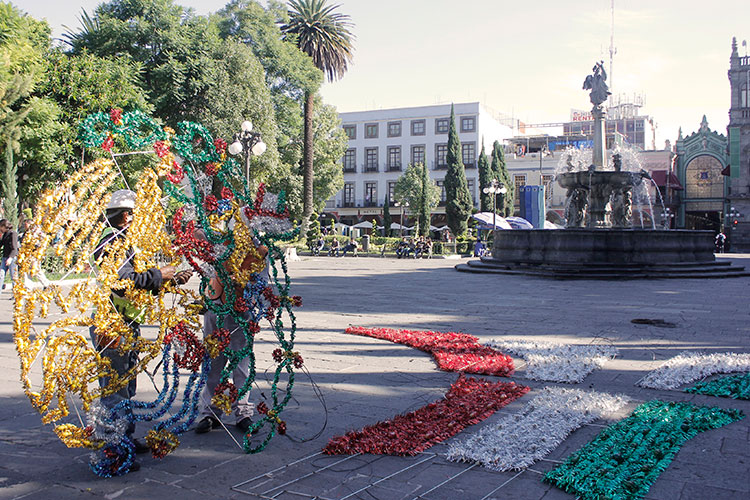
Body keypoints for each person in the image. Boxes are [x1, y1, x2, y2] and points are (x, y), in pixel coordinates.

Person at [90, 190, 191, 471]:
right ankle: (113, 449)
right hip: (112, 324)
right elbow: (122, 282)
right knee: (114, 390)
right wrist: (160, 275)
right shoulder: (111, 241)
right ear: (126, 215)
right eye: (137, 215)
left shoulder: (122, 240)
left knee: (126, 387)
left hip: (126, 322)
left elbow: (139, 285)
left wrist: (169, 281)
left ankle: (125, 437)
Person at [195, 221, 266, 436]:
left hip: (240, 312)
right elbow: (198, 236)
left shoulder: (259, 250)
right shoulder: (218, 242)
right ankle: (209, 412)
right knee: (213, 363)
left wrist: (244, 284)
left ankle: (243, 413)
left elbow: (262, 282)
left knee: (241, 363)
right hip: (215, 308)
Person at [0, 219, 19, 297]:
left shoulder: (13, 233)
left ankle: (16, 294)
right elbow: (1, 244)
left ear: (4, 226)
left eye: (1, 227)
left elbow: (14, 248)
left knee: (13, 276)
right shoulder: (5, 234)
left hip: (12, 257)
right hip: (5, 257)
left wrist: (10, 258)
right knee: (1, 274)